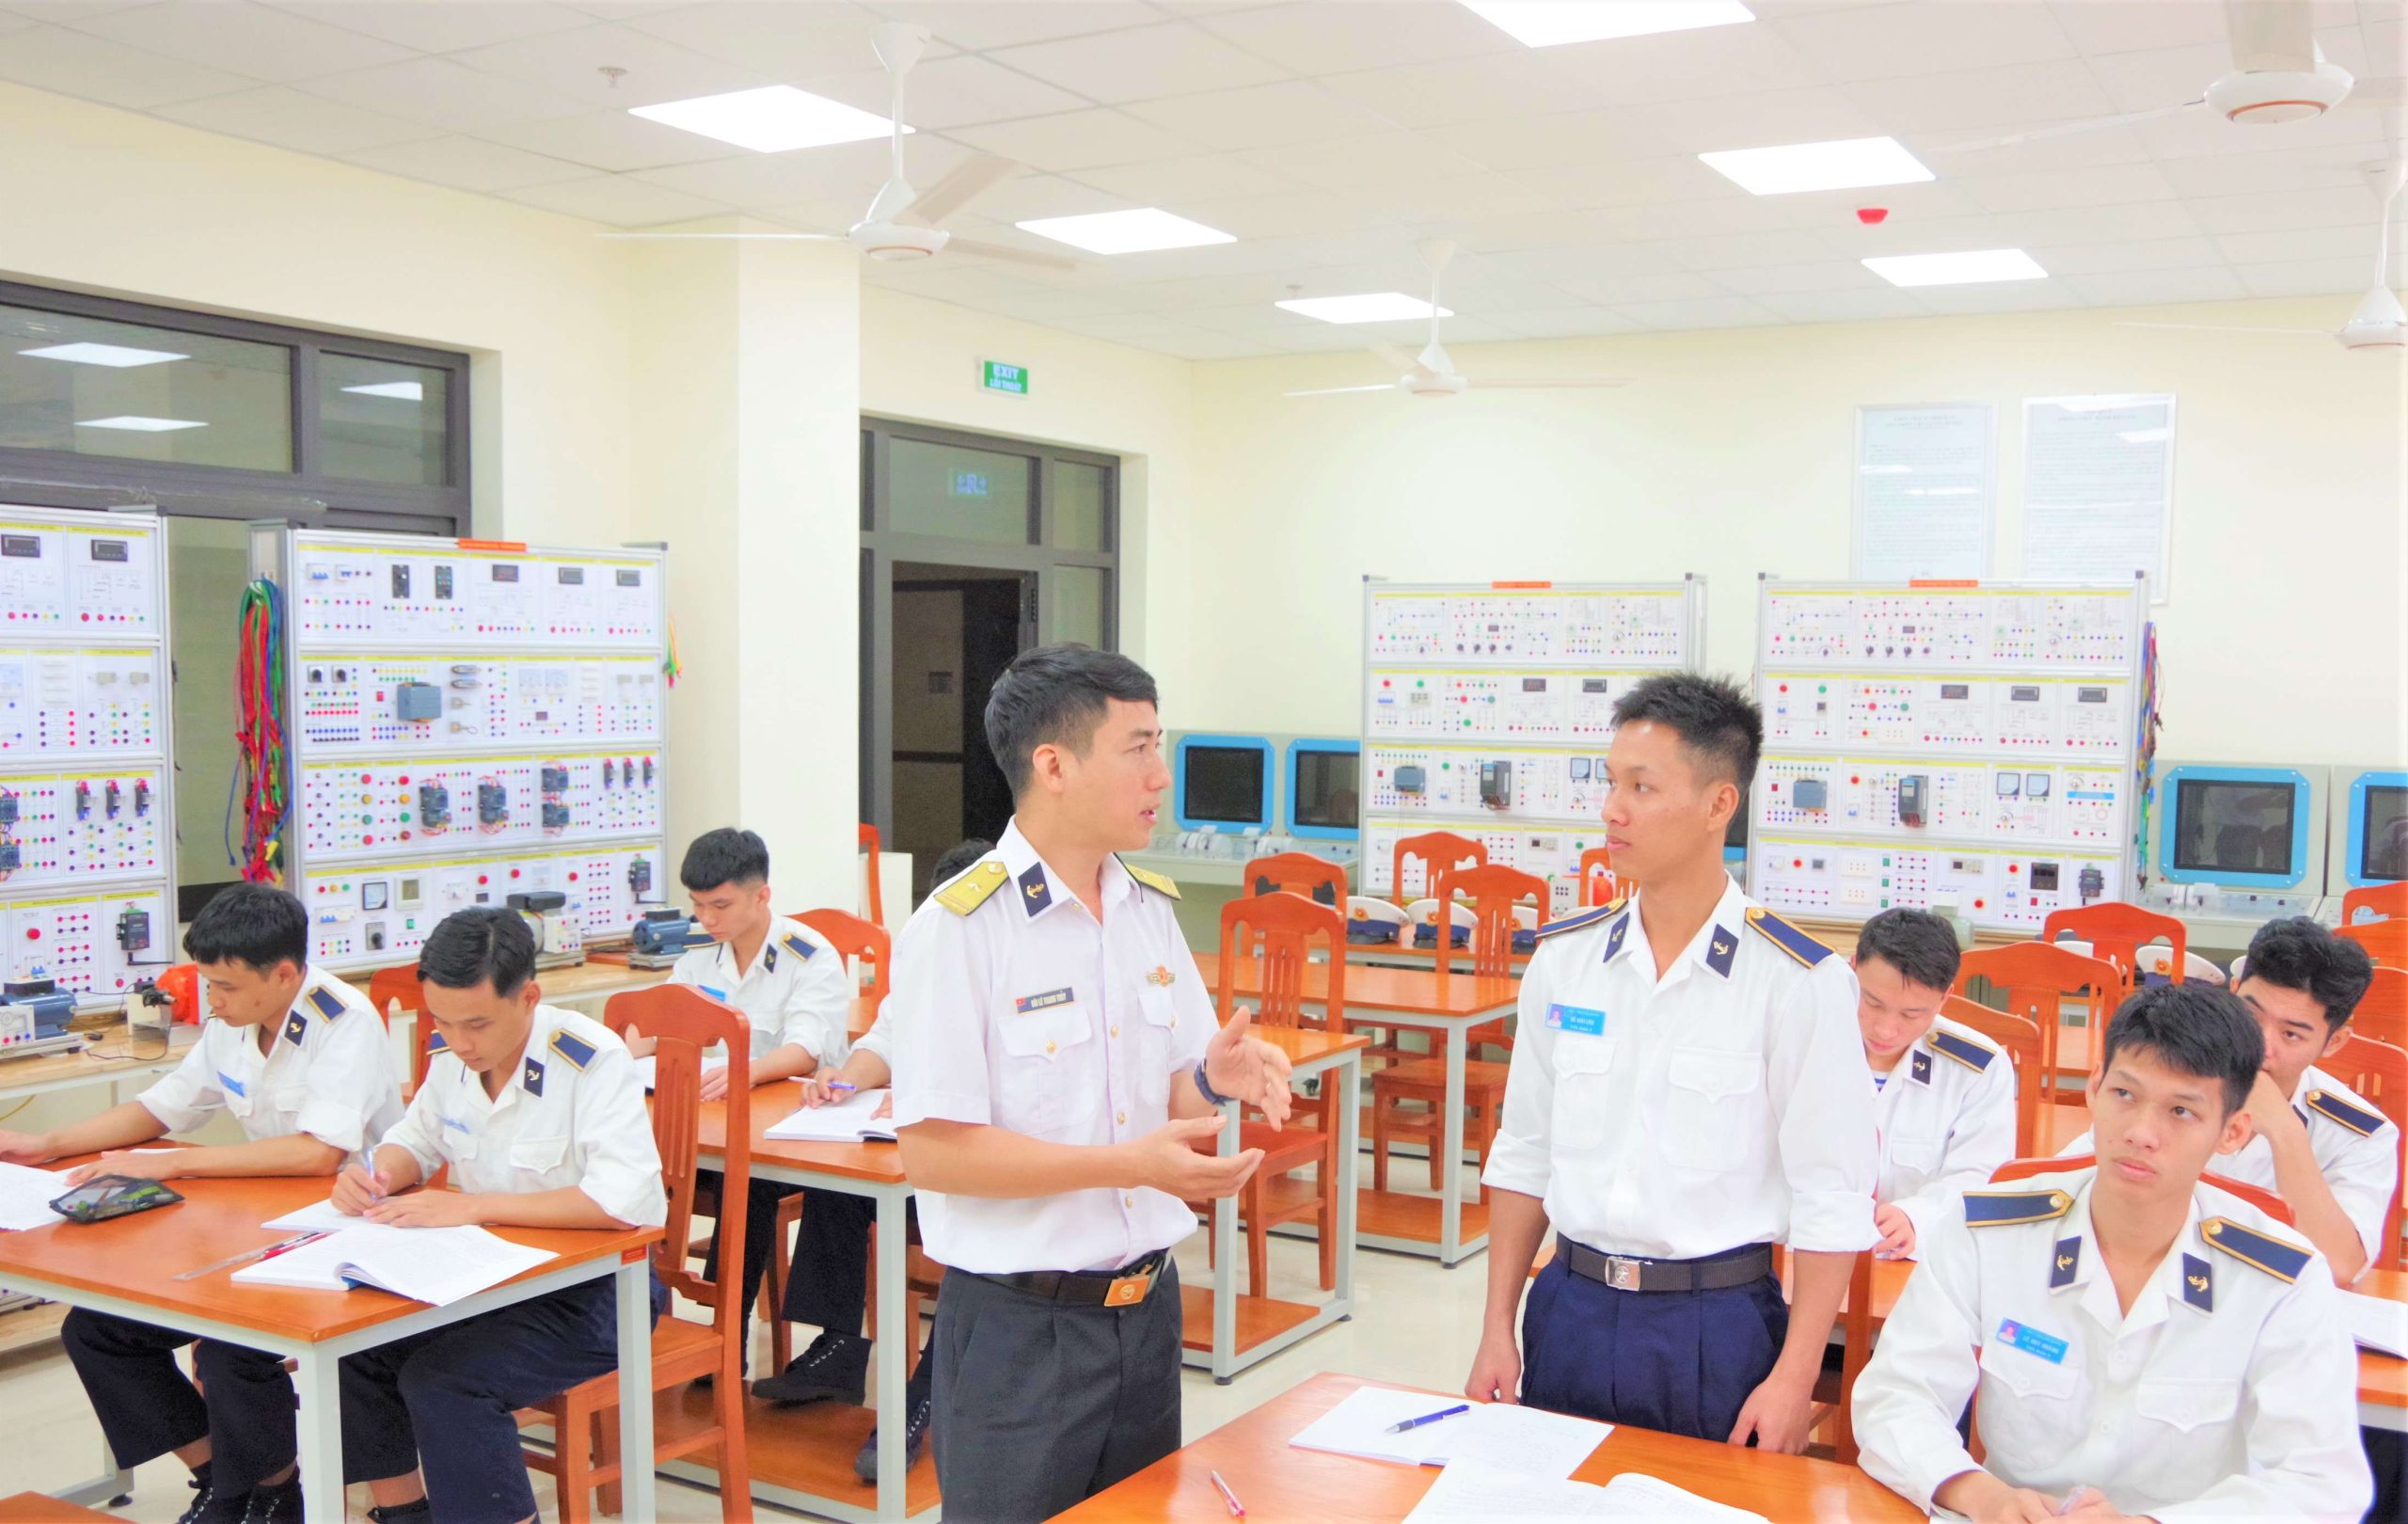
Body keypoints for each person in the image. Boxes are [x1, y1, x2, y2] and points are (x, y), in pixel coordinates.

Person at [891, 643, 1295, 1523]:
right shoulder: (961, 930)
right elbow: (934, 1155)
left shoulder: (1148, 909)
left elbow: (1173, 1103)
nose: (1161, 775)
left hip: (1144, 1316)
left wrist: (1213, 1080)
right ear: (1054, 766)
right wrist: (1127, 1166)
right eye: (1138, 749)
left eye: (1160, 746)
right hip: (1019, 1331)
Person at [1469, 672, 1877, 1450]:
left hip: (1713, 1328)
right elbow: (1524, 1152)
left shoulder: (1796, 982)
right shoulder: (1566, 961)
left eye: (1642, 787)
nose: (1611, 809)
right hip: (1569, 1307)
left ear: (1720, 804)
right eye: (1611, 782)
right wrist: (1497, 1326)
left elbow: (1832, 1195)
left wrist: (1795, 1377)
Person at [1854, 982, 2371, 1522]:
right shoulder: (1986, 1232)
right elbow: (1897, 1396)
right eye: (2125, 1094)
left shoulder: (2281, 1280)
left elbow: (2322, 1482)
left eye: (2181, 1111)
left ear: (2233, 1132)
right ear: (2094, 1088)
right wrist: (1981, 1495)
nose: (2142, 1133)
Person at [0, 883, 401, 1524]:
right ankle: (223, 1482)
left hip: (349, 1231)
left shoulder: (343, 1021)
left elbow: (317, 1153)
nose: (212, 1000)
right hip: (262, 1224)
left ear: (285, 974)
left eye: (225, 987)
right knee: (98, 1330)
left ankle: (276, 1492)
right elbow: (162, 1107)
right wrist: (45, 1144)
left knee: (229, 1346)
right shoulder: (235, 1019)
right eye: (208, 984)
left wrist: (171, 1161)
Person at [331, 906, 665, 1524]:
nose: (459, 1041)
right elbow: (415, 1140)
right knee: (356, 1353)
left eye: (477, 1024)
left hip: (594, 1295)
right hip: (488, 1281)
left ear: (528, 997)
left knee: (446, 1384)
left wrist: (472, 1207)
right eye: (443, 1022)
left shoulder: (591, 1059)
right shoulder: (453, 1056)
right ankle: (406, 1516)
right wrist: (377, 1174)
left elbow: (620, 1203)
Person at [752, 837, 990, 1482]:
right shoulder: (930, 953)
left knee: (978, 1252)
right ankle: (839, 1348)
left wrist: (931, 1100)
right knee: (838, 1184)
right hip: (912, 1157)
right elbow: (885, 1037)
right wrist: (847, 1079)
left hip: (988, 1174)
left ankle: (919, 1402)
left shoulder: (1025, 973)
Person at [2065, 916, 2390, 1286]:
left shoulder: (2360, 1133)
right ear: (2233, 991)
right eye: (2250, 1015)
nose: (2262, 1046)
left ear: (2334, 1042)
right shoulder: (2171, 1079)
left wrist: (2285, 1132)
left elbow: (2340, 1268)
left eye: (2291, 1035)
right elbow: (2070, 1186)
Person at [627, 826, 849, 1364]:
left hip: (791, 1131)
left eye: (720, 905)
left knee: (743, 1182)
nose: (706, 918)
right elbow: (661, 1024)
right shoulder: (700, 956)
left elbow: (805, 1049)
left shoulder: (808, 954)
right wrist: (634, 1041)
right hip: (715, 1122)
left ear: (761, 896)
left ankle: (727, 1334)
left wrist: (744, 1072)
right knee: (637, 1167)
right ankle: (640, 1328)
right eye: (697, 905)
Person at [1853, 907, 2016, 1261]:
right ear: (1853, 970)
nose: (1886, 1030)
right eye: (1873, 1003)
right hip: (1803, 1252)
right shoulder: (1803, 1041)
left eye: (1911, 1014)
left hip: (1917, 1259)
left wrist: (1916, 1217)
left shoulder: (1977, 1068)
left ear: (1945, 998)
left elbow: (1980, 1175)